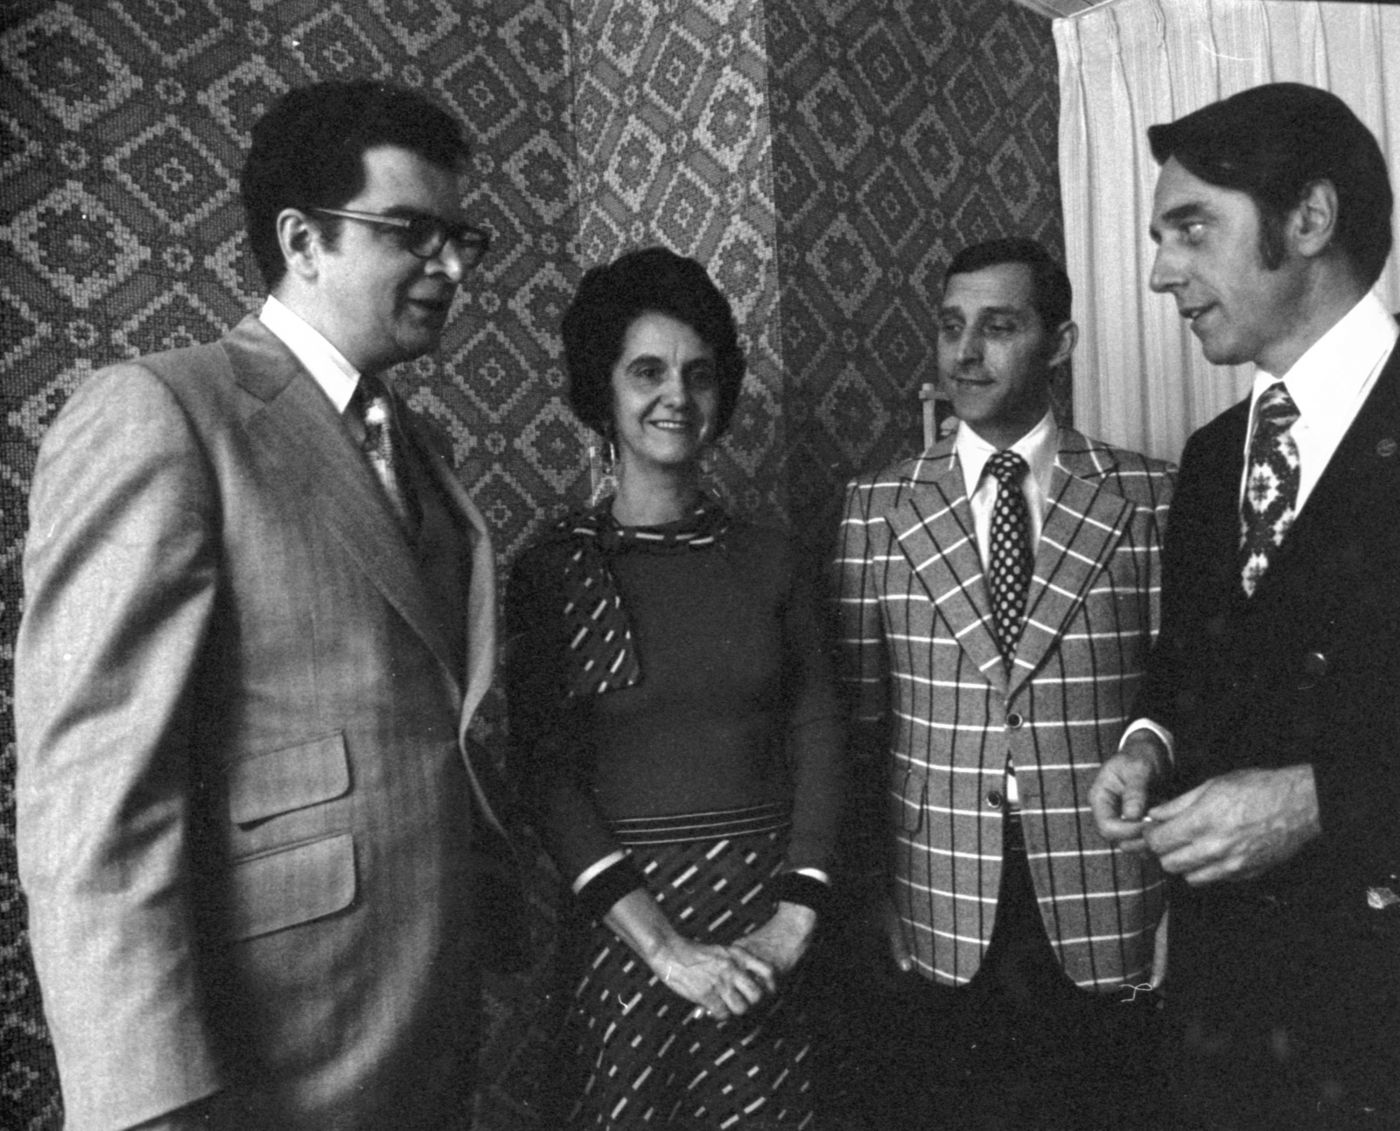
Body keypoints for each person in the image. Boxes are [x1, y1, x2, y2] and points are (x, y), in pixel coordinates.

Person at [14, 80, 518, 1131]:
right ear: (302, 240)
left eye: (461, 238)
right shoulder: (161, 412)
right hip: (264, 1053)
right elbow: (96, 802)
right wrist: (145, 1099)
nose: (452, 269)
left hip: (420, 1022)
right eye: (411, 234)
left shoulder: (412, 441)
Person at [1091, 81, 1400, 1127]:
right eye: (1154, 234)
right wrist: (1143, 744)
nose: (1156, 270)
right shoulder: (1213, 454)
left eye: (1190, 228)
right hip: (1228, 1013)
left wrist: (1318, 800)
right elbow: (1184, 667)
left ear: (1308, 220)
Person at [832, 237, 1175, 1128]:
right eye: (951, 328)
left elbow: (1176, 707)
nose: (966, 353)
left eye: (999, 326)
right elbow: (861, 726)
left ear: (1060, 343)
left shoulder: (1149, 498)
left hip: (1109, 890)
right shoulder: (876, 509)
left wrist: (1180, 898)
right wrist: (876, 890)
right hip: (940, 890)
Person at [505, 246, 844, 1128]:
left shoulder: (771, 558)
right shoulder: (554, 569)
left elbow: (820, 734)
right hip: (630, 936)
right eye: (647, 371)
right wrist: (665, 950)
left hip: (768, 933)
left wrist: (792, 922)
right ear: (602, 389)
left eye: (698, 374)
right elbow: (546, 773)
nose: (676, 397)